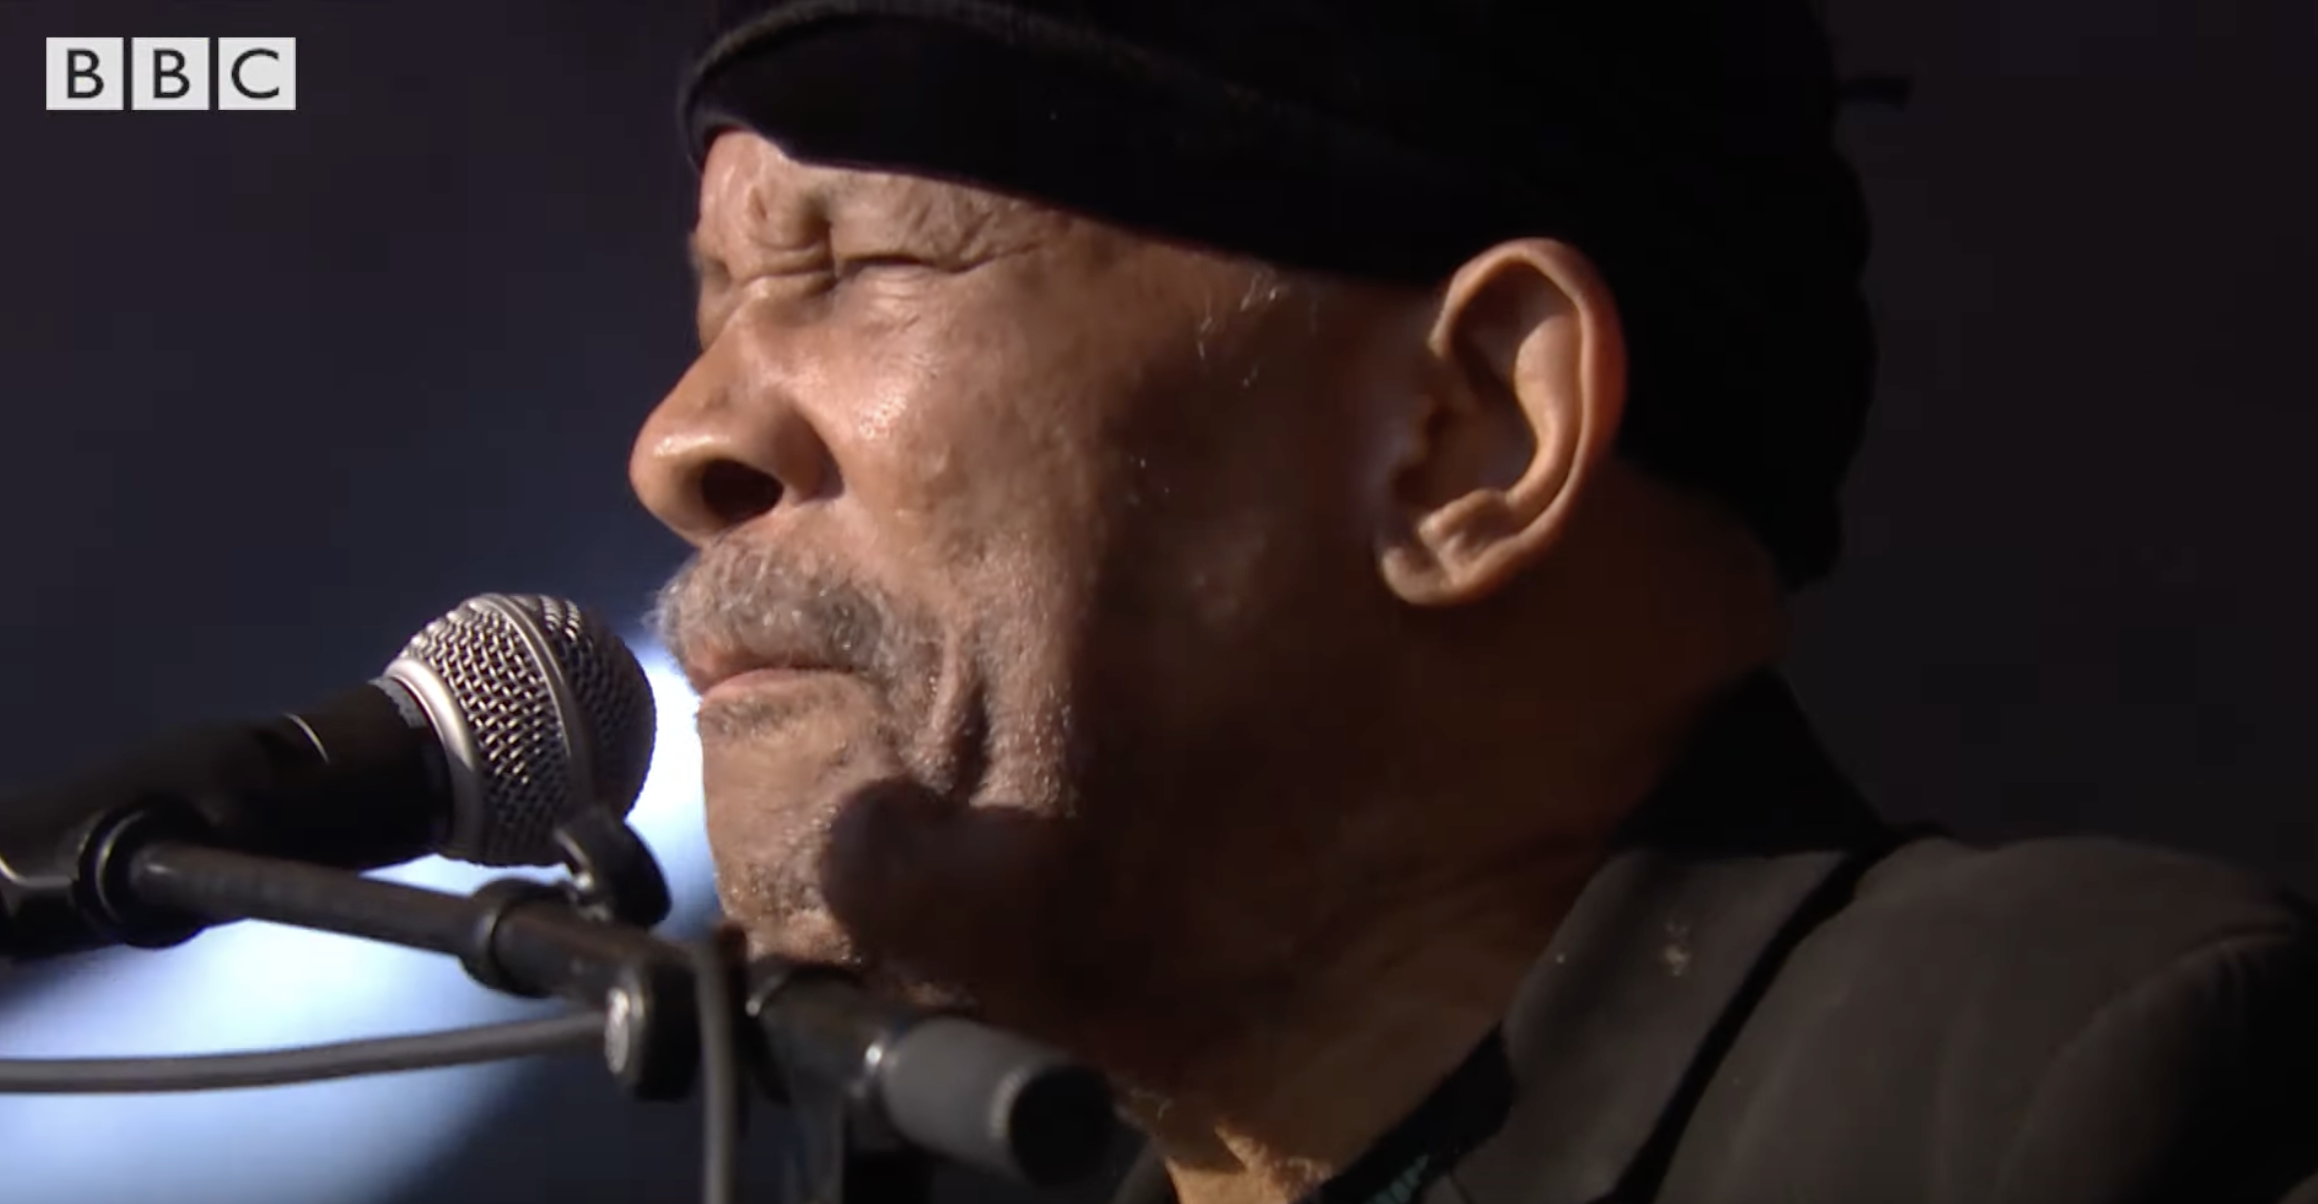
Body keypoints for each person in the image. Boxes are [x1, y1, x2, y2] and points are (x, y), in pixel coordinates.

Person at [628, 2, 2318, 1202]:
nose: (680, 441)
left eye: (853, 268)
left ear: (1472, 435)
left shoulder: (2072, 1102)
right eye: (713, 298)